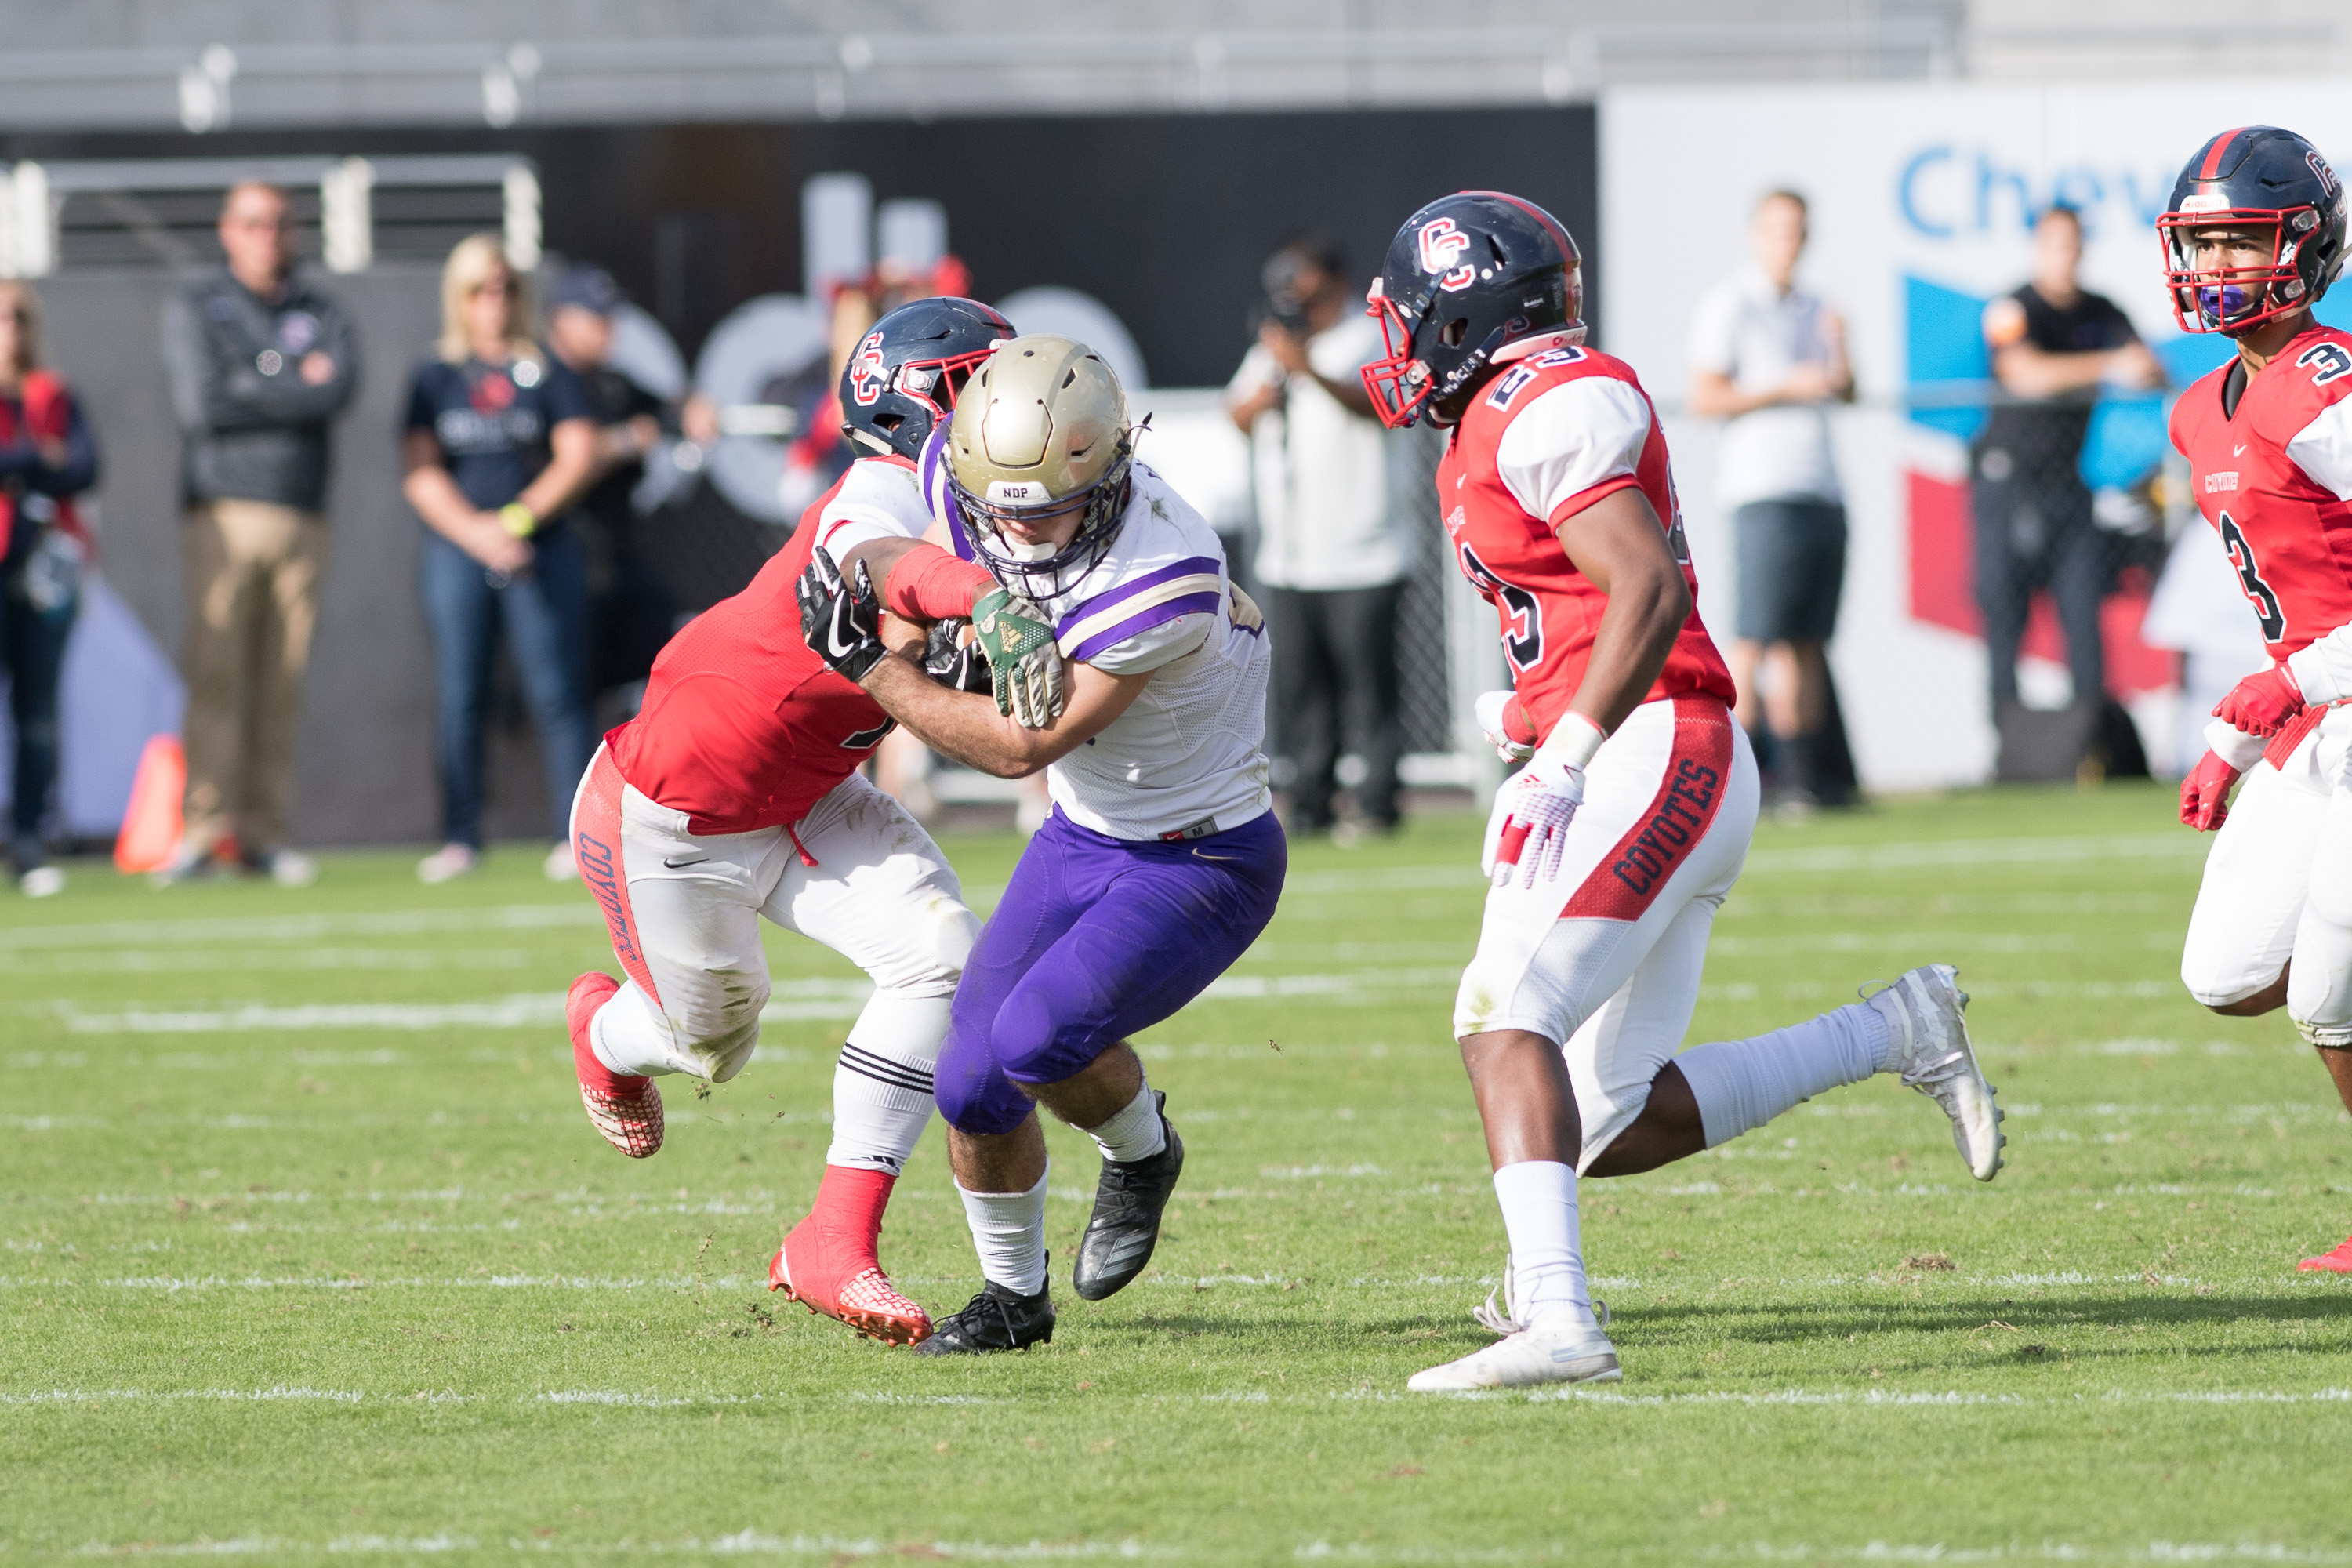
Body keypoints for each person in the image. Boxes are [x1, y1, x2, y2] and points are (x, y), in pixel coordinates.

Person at [1357, 191, 2003, 1392]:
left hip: (1652, 751)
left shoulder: (1544, 400)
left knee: (1502, 1015)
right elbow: (1588, 606)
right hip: (1658, 750)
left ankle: (1558, 1319)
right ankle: (1895, 1028)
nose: (1397, 342)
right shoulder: (1509, 409)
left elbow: (1647, 589)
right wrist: (1533, 717)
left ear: (1465, 315)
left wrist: (1564, 755)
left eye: (1412, 315)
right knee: (1602, 1119)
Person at [567, 297, 1066, 1348]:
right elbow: (884, 565)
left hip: (810, 792)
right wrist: (982, 600)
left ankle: (832, 1240)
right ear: (921, 407)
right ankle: (604, 1032)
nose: (1013, 405)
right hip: (672, 811)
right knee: (712, 1042)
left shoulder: (992, 510)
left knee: (943, 956)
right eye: (984, 384)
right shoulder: (881, 491)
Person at [797, 333, 1284, 1354]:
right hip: (1083, 831)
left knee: (1033, 1041)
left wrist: (878, 669)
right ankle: (1014, 1300)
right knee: (969, 1084)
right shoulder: (976, 475)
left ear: (1110, 469)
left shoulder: (1164, 570)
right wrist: (932, 602)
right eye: (1002, 511)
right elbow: (879, 546)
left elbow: (1023, 746)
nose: (1021, 531)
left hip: (1199, 856)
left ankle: (1143, 1152)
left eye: (1049, 508)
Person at [2160, 126, 2352, 1274]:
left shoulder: (2326, 385)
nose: (2215, 266)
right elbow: (2292, 605)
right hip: (2320, 717)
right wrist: (2235, 741)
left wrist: (2286, 685)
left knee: (2331, 986)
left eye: (2240, 241)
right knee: (2227, 972)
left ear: (2306, 246)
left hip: (2336, 699)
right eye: (2202, 243)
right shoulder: (2200, 409)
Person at [155, 181, 360, 887]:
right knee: (217, 675)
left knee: (281, 682)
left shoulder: (320, 307)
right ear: (227, 230)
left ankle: (266, 834)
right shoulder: (198, 303)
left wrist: (254, 380)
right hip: (223, 511)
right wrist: (291, 382)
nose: (266, 236)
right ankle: (202, 829)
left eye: (277, 223)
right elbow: (203, 402)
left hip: (302, 511)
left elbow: (337, 390)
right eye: (252, 223)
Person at [401, 234, 598, 884]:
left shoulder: (547, 369)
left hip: (538, 544)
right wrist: (477, 533)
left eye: (505, 288)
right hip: (460, 547)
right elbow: (421, 472)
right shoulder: (435, 375)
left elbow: (578, 453)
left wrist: (517, 521)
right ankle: (460, 836)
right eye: (480, 290)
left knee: (558, 691)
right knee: (461, 693)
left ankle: (573, 834)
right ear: (457, 297)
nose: (494, 301)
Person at [1226, 238, 1409, 840]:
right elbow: (1238, 414)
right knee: (1301, 689)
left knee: (1368, 687)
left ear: (1337, 285)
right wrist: (1271, 385)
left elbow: (1379, 406)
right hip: (1292, 554)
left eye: (1311, 294)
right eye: (1290, 296)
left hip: (1365, 549)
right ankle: (1310, 801)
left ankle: (1377, 802)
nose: (1301, 306)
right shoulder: (1274, 345)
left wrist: (1306, 369)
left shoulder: (1370, 336)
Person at [1974, 203, 2166, 768]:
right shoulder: (2012, 309)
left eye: (2074, 243)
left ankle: (2091, 749)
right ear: (2039, 248)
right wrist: (2105, 366)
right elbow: (2023, 374)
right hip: (2008, 484)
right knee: (2005, 618)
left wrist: (2138, 367)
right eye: (2057, 244)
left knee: (2083, 615)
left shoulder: (2102, 310)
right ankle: (2008, 752)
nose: (2067, 255)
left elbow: (2149, 366)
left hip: (2069, 486)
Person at [1686, 190, 1855, 809]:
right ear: (1757, 233)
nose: (1790, 241)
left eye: (1798, 230)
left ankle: (1803, 776)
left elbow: (1846, 391)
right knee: (1757, 637)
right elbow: (1705, 396)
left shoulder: (1817, 307)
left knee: (1808, 641)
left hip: (1821, 485)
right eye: (1780, 229)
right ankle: (1735, 771)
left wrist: (1842, 352)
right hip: (1762, 488)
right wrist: (1785, 386)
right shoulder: (1730, 303)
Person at [543, 264, 681, 709]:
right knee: (566, 681)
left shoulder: (609, 381)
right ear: (562, 318)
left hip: (614, 548)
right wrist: (624, 441)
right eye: (596, 317)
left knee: (660, 626)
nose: (608, 328)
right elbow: (567, 456)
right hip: (559, 546)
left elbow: (666, 408)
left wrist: (690, 410)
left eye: (610, 317)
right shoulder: (540, 378)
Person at [0, 281, 98, 897]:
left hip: (44, 568)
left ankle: (29, 840)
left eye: (17, 317)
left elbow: (85, 468)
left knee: (37, 713)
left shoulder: (52, 393)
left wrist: (22, 462)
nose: (9, 329)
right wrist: (38, 458)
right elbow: (50, 464)